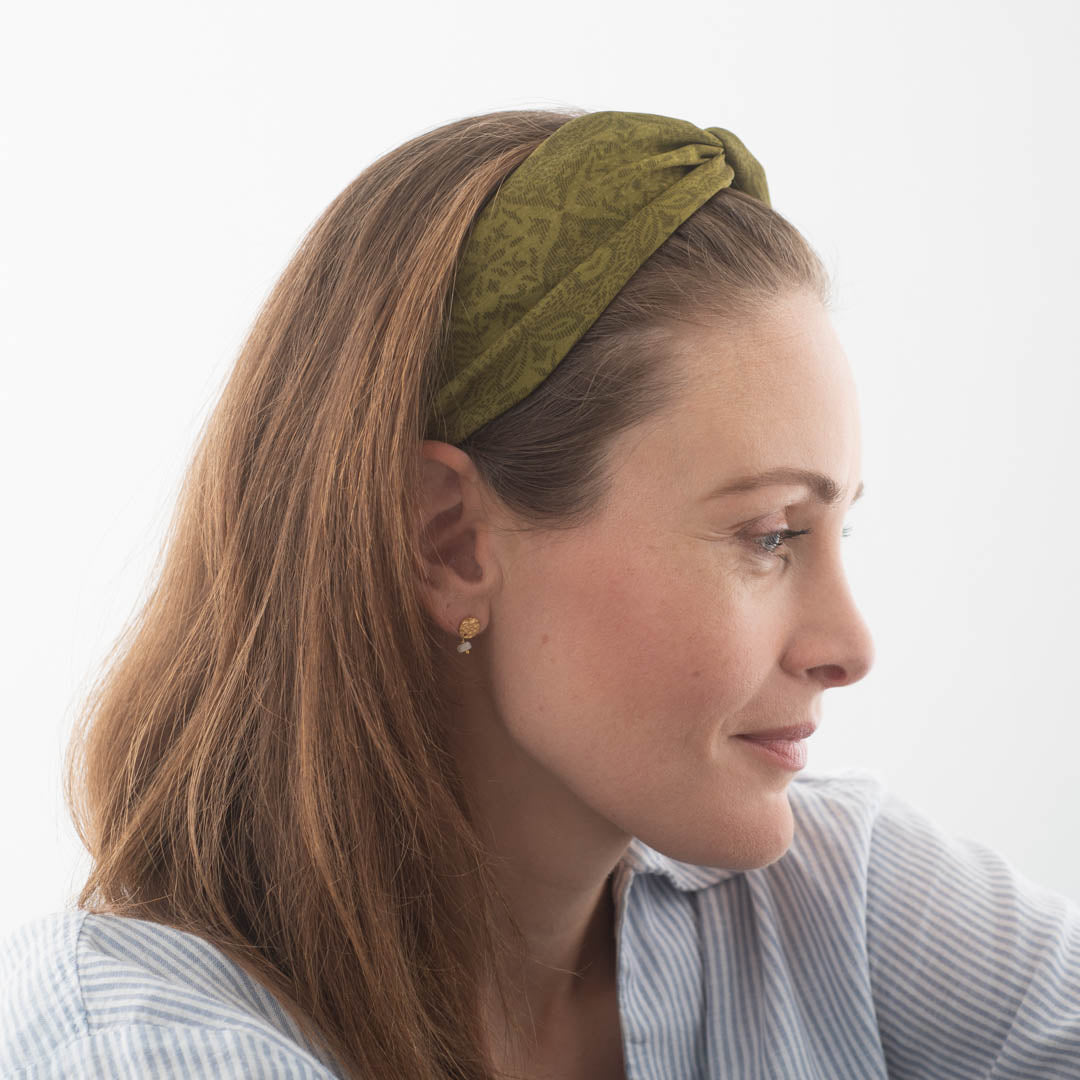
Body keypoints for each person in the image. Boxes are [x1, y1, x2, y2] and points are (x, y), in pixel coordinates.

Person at [1, 108, 1077, 1080]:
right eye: (768, 535)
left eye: (841, 531)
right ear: (449, 540)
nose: (850, 644)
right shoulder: (132, 1043)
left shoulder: (839, 898)